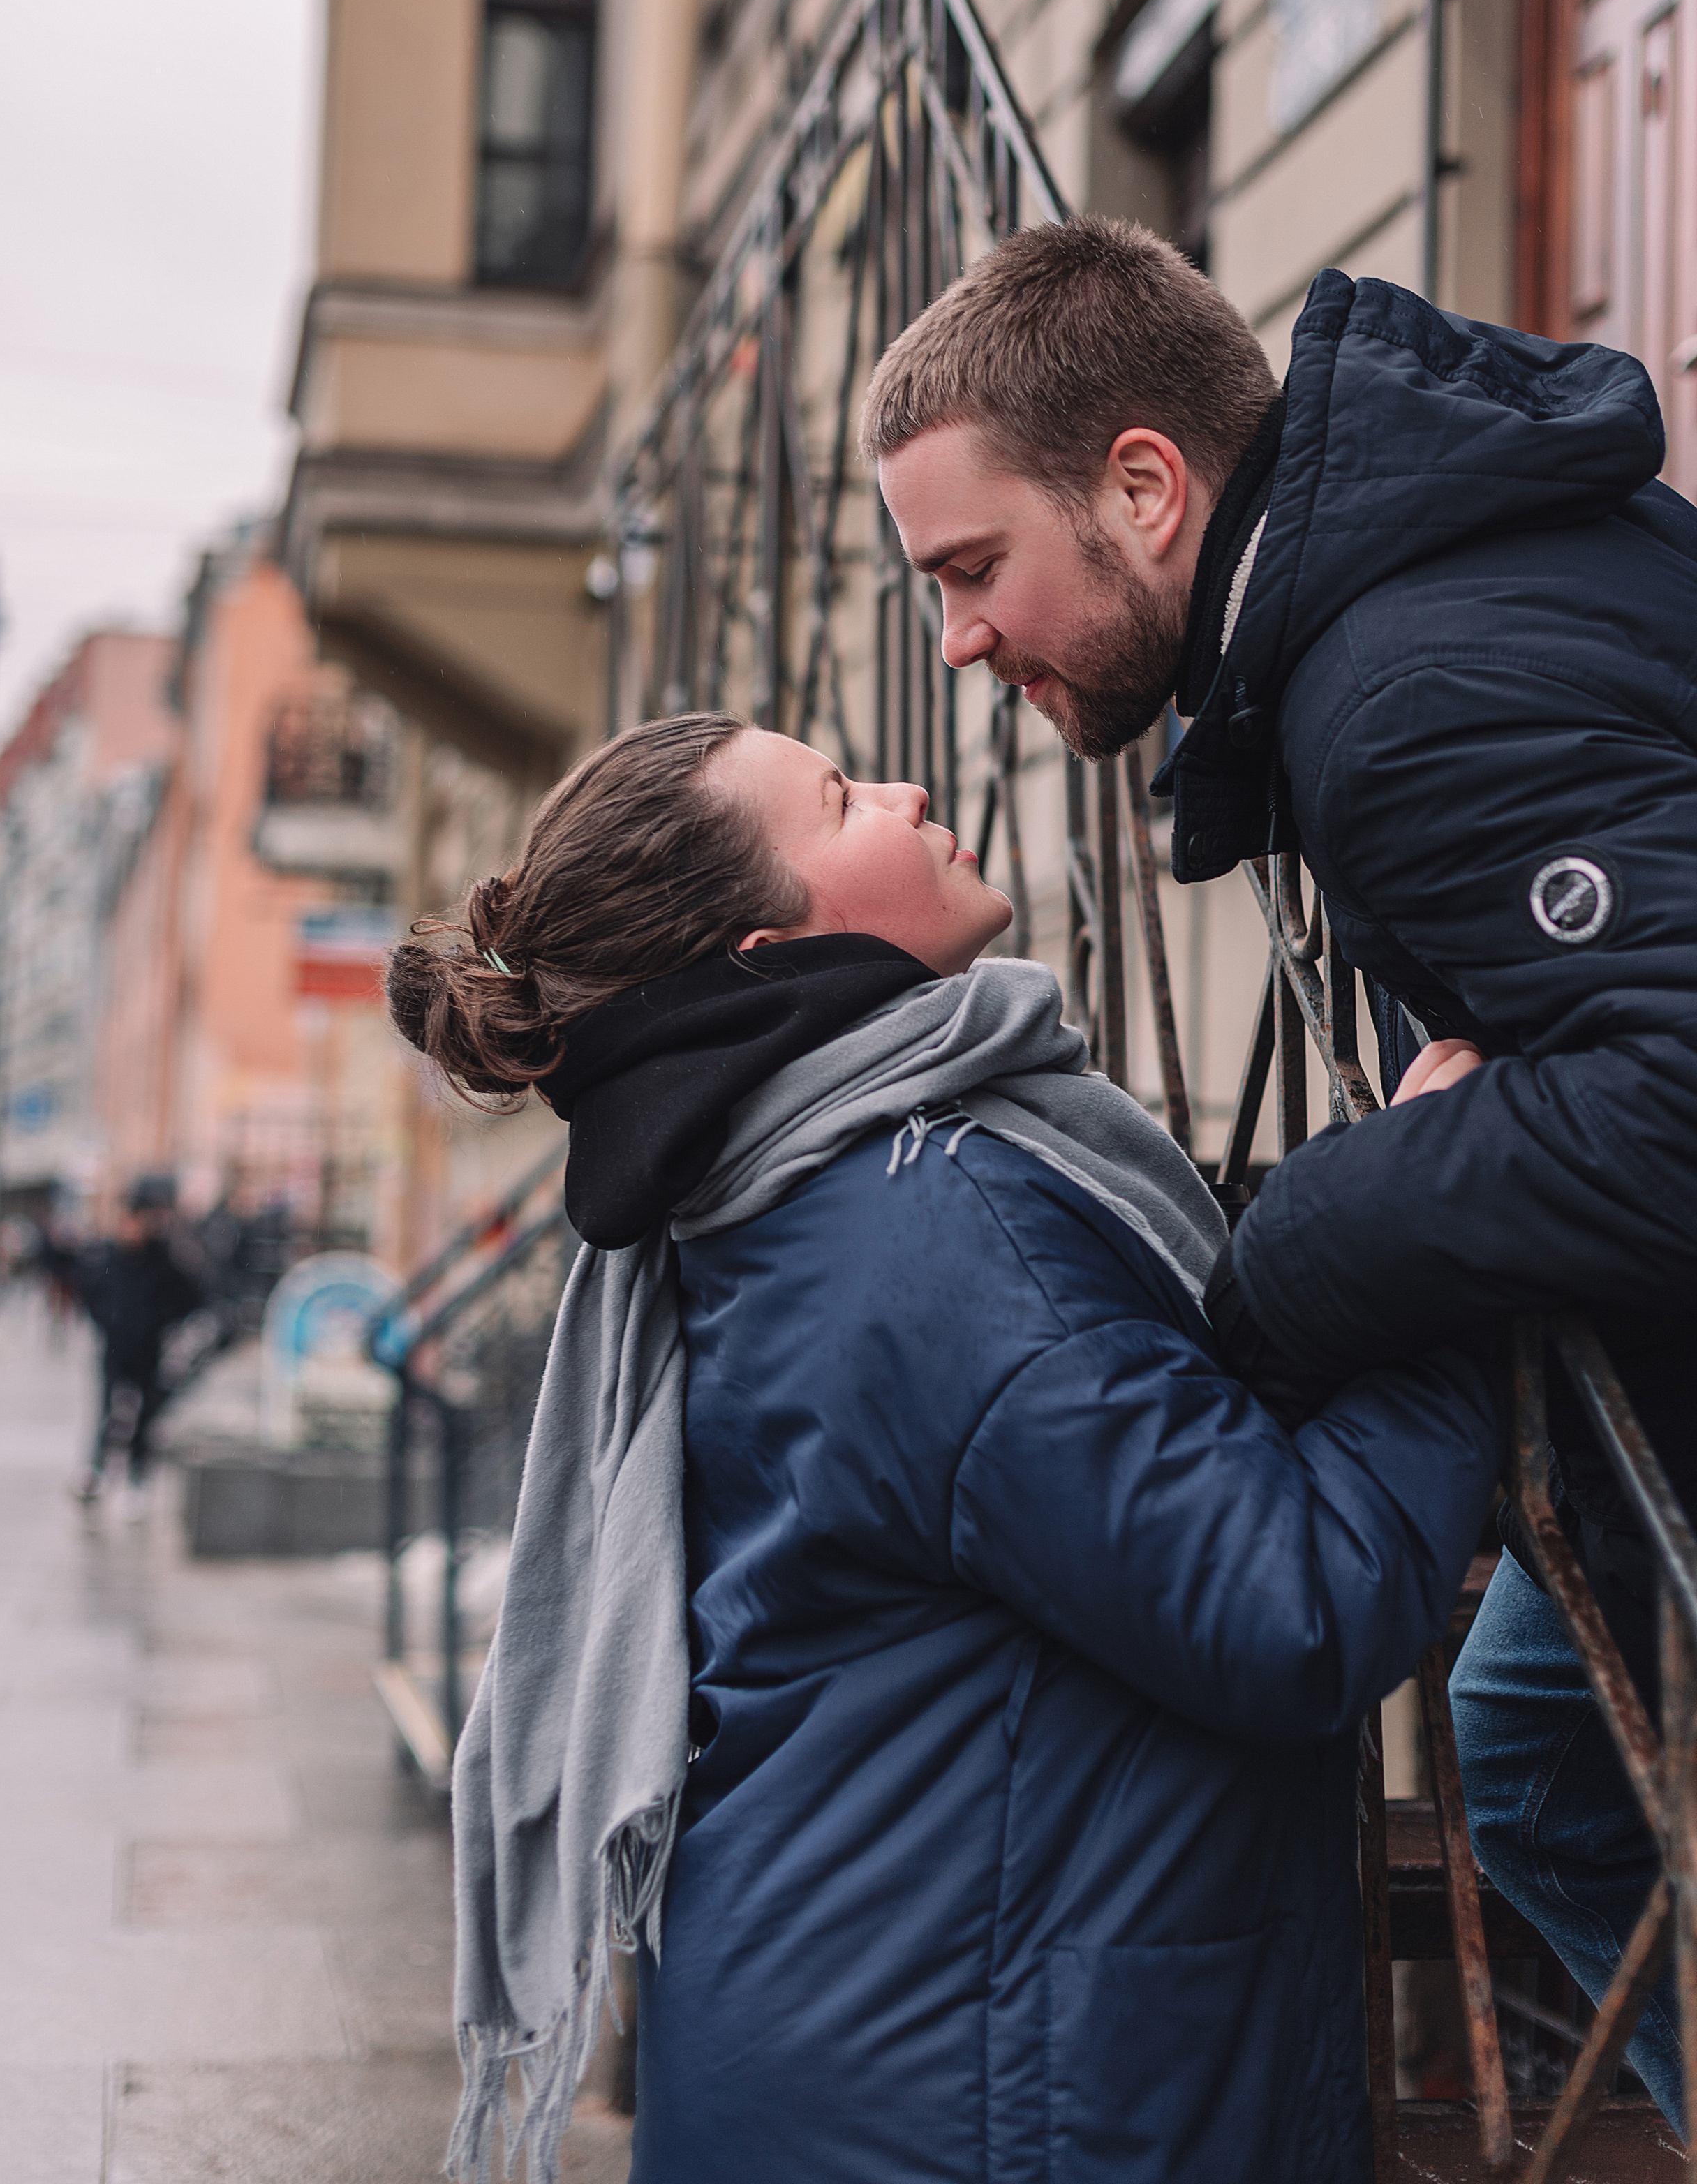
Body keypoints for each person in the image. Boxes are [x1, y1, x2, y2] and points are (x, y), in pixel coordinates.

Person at [387, 711, 1501, 2184]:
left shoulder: (790, 1191)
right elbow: (1284, 1605)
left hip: (879, 2032)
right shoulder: (929, 1234)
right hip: (982, 2089)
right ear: (764, 952)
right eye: (842, 798)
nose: (909, 790)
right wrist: (1441, 1246)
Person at [864, 216, 1695, 2126]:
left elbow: (1674, 1096)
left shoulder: (1400, 691)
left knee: (1547, 1767)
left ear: (1146, 490)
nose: (960, 641)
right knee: (1537, 1749)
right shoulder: (1408, 604)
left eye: (976, 568)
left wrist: (1300, 1243)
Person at [73, 1173, 204, 1506]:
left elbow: (191, 1295)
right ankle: (97, 1472)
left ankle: (136, 1478)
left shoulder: (164, 1259)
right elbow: (90, 1293)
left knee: (146, 1415)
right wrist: (105, 1321)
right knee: (107, 1409)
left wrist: (162, 1324)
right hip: (115, 1346)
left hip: (149, 1348)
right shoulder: (107, 1256)